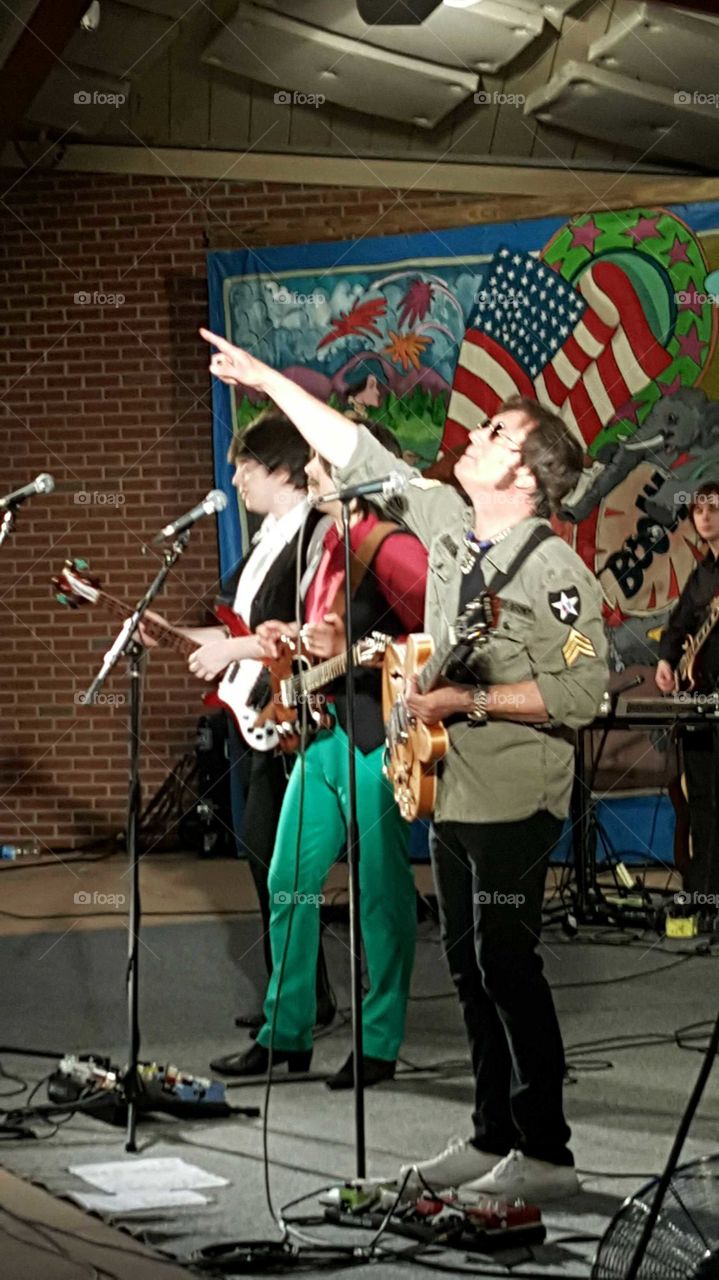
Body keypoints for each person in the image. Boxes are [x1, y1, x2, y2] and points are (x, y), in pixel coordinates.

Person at [200, 326, 608, 1201]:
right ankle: (491, 1132)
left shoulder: (559, 573)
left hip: (514, 798)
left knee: (506, 962)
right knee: (464, 964)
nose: (477, 436)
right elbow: (359, 451)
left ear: (526, 477)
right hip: (451, 790)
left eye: (497, 435)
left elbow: (581, 692)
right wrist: (271, 381)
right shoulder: (453, 530)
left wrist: (468, 702)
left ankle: (547, 1152)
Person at [211, 422, 428, 1088]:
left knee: (381, 893)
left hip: (374, 728)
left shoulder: (391, 544)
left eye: (320, 464)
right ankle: (287, 1031)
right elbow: (328, 628)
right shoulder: (322, 544)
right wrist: (294, 636)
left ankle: (380, 1040)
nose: (308, 472)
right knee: (287, 879)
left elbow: (428, 628)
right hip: (322, 727)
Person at [146, 410, 334, 1027]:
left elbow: (307, 634)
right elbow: (235, 630)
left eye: (245, 467)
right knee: (262, 856)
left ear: (282, 469)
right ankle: (302, 989)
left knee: (273, 858)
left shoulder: (314, 537)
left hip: (297, 720)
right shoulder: (266, 540)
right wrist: (171, 634)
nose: (236, 481)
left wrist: (233, 648)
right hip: (256, 715)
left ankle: (300, 994)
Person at [656, 481, 719, 907]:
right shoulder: (703, 574)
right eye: (699, 511)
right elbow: (676, 626)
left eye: (714, 509)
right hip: (700, 701)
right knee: (701, 798)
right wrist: (666, 661)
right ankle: (704, 891)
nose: (706, 517)